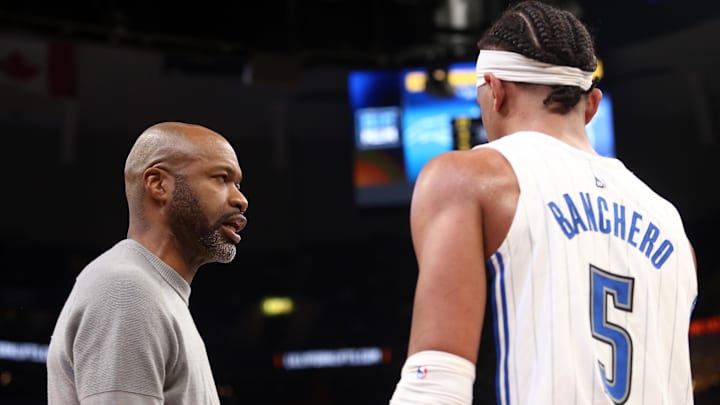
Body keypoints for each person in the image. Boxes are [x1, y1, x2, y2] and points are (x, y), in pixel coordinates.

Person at [389, 1, 698, 404]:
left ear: (495, 93)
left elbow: (434, 384)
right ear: (591, 106)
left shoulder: (468, 180)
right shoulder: (673, 228)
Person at [47, 122, 249, 404]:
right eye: (221, 178)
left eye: (237, 185)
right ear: (158, 184)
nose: (241, 200)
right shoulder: (126, 288)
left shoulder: (155, 291)